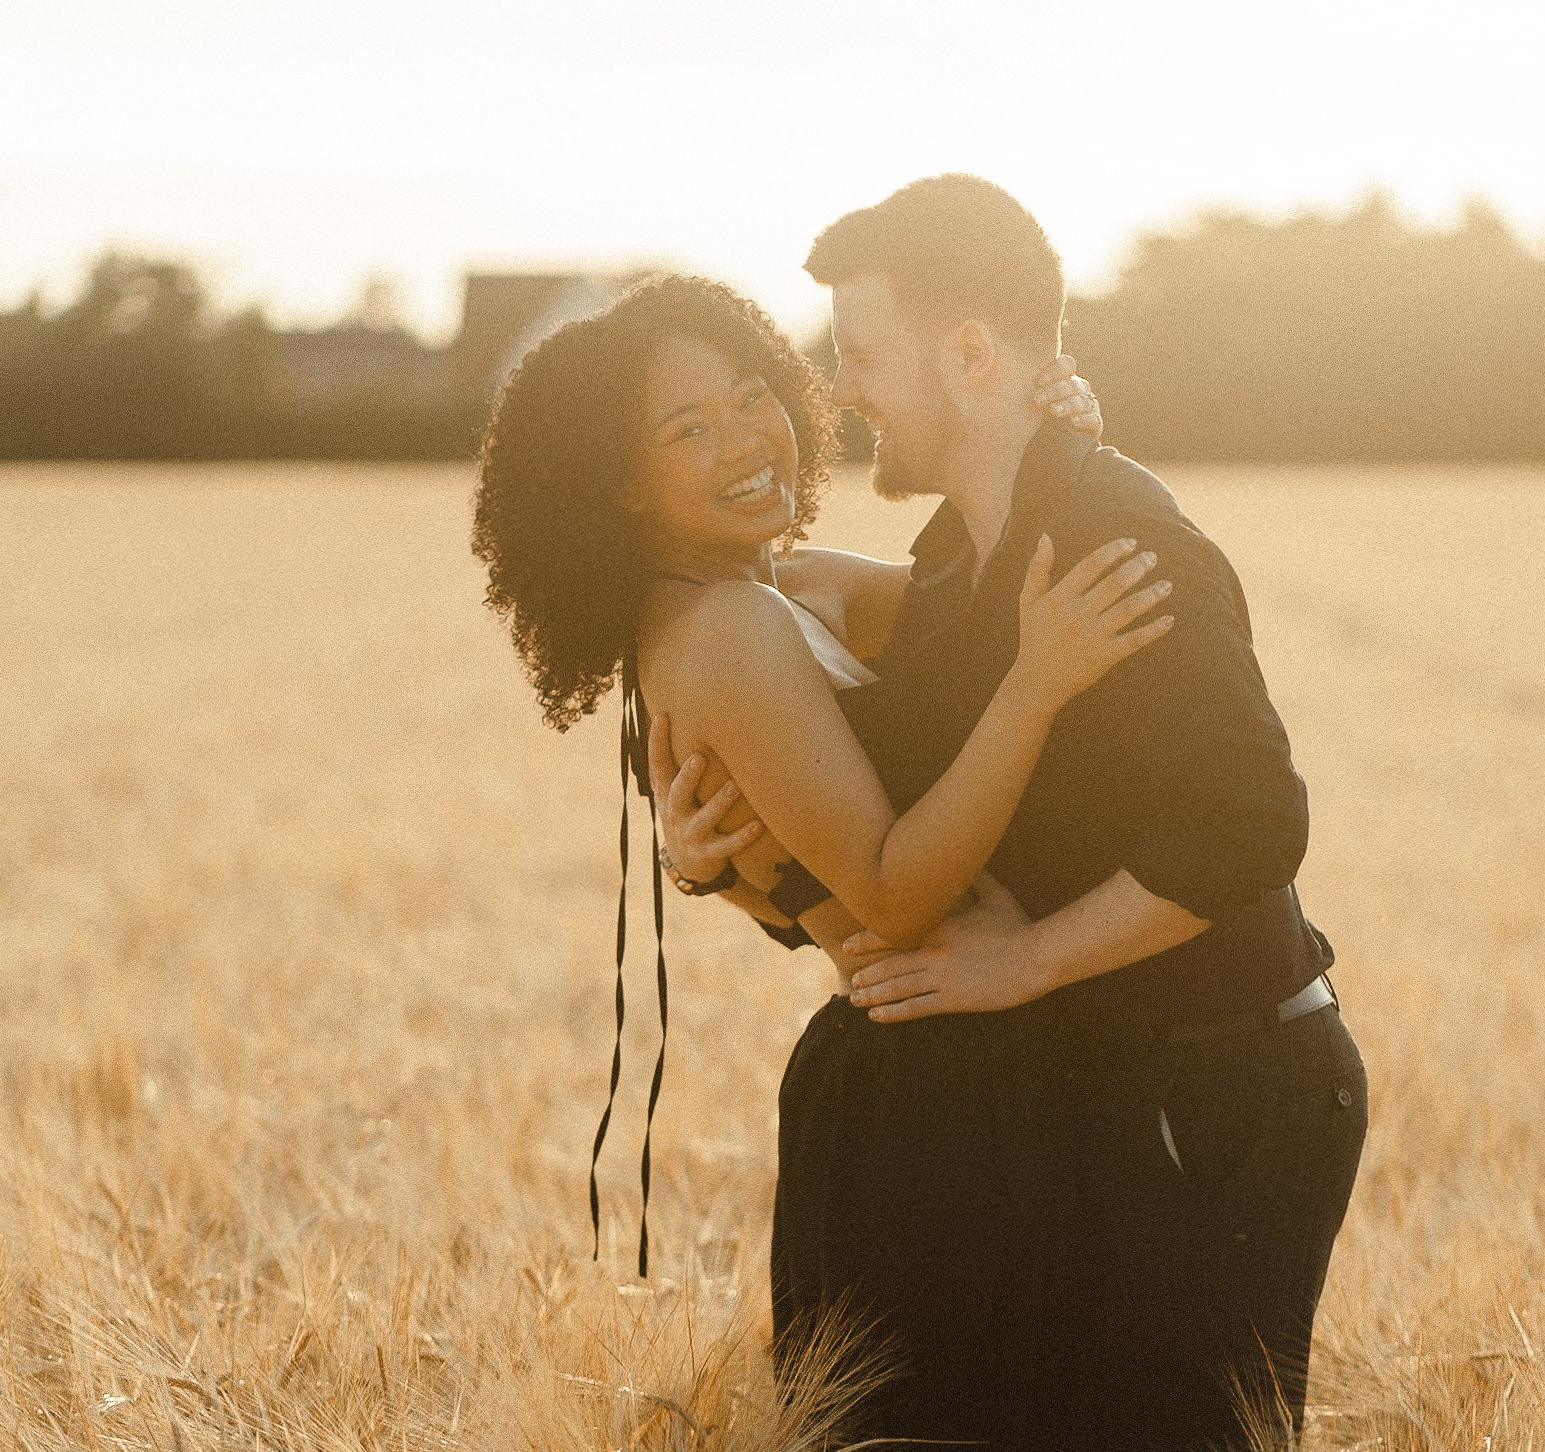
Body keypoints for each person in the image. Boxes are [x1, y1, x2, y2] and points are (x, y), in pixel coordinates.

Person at [658, 177, 1369, 1452]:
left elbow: (1250, 825)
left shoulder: (1107, 536)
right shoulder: (981, 556)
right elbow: (878, 772)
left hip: (1217, 1087)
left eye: (859, 354)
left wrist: (1028, 962)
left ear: (972, 357)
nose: (835, 393)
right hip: (1118, 1095)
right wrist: (724, 858)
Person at [468, 272, 1167, 1279]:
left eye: (751, 395)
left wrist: (1050, 441)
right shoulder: (723, 631)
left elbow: (1009, 589)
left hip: (971, 1071)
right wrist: (1033, 689)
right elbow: (891, 895)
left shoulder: (791, 587)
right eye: (689, 431)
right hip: (936, 1103)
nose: (747, 440)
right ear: (623, 482)